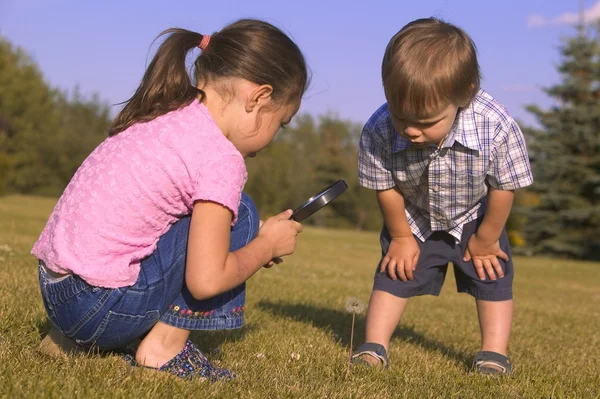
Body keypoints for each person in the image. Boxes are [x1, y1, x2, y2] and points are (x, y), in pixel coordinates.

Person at [32, 18, 308, 381]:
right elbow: (206, 281)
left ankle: (73, 340)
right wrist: (265, 247)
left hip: (58, 293)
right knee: (242, 213)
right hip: (98, 308)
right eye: (282, 123)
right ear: (259, 98)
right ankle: (162, 350)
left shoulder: (167, 112)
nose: (275, 136)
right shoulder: (220, 157)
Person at [351, 17, 533, 374]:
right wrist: (401, 237)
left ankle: (494, 353)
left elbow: (503, 187)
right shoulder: (379, 127)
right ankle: (374, 345)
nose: (412, 131)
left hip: (476, 216)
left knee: (492, 274)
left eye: (426, 121)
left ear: (464, 94)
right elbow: (384, 186)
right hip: (414, 217)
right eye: (402, 117)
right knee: (394, 272)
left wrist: (486, 238)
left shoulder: (495, 125)